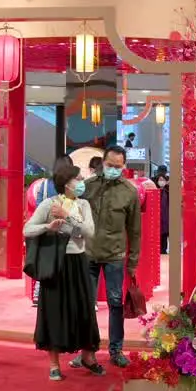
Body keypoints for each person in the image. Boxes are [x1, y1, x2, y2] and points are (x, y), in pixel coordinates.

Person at [23, 160, 103, 381]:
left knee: (84, 310)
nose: (81, 183)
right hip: (56, 264)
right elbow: (28, 229)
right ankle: (54, 364)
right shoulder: (49, 204)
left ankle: (88, 356)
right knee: (54, 311)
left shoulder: (83, 205)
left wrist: (66, 216)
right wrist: (47, 227)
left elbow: (89, 232)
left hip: (78, 262)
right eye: (77, 179)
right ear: (66, 183)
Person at [71, 145, 141, 368]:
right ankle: (86, 351)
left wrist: (132, 263)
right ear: (102, 163)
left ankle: (116, 350)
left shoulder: (130, 192)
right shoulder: (88, 187)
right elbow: (75, 216)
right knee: (86, 304)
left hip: (115, 256)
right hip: (88, 254)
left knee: (115, 303)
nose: (113, 169)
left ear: (124, 167)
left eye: (118, 167)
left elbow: (135, 231)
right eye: (110, 165)